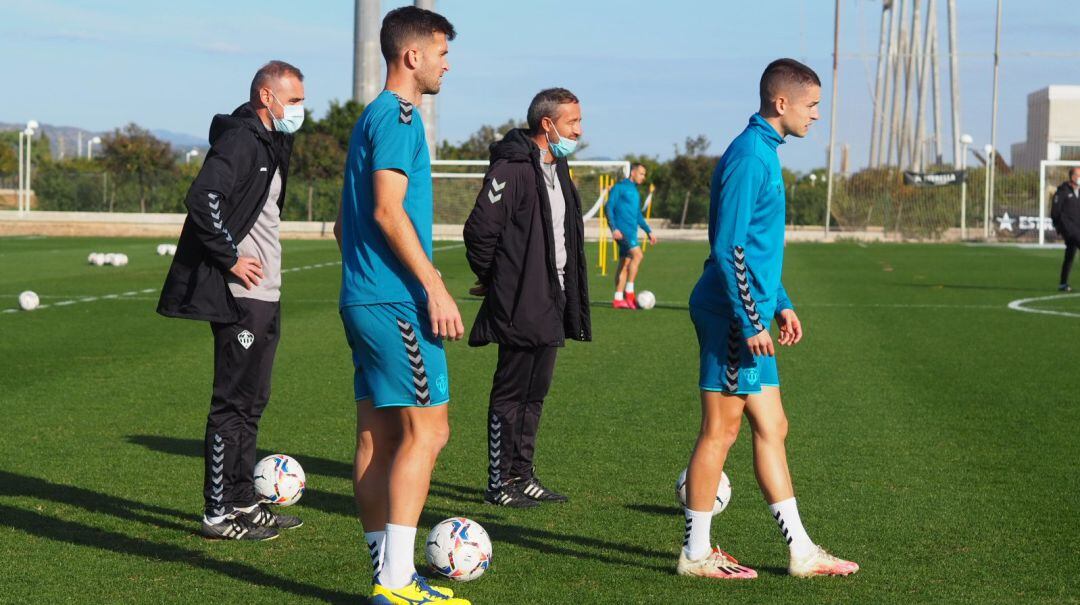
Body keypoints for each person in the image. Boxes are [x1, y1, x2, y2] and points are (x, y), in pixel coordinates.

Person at [677, 58, 859, 580]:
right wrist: (751, 319)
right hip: (731, 315)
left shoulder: (765, 151)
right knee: (720, 431)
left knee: (773, 425)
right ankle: (695, 555)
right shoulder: (751, 156)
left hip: (751, 309)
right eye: (812, 105)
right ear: (782, 103)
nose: (817, 115)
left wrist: (780, 301)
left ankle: (802, 552)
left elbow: (759, 248)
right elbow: (729, 247)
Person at [332, 7, 470, 605]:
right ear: (412, 56)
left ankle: (385, 571)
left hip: (363, 298)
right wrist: (433, 286)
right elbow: (387, 211)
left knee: (380, 437)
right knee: (428, 432)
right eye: (442, 52)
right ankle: (394, 581)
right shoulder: (400, 117)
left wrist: (367, 280)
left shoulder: (370, 117)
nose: (447, 64)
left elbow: (343, 226)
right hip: (395, 303)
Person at [157, 60, 305, 540]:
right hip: (241, 294)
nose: (299, 109)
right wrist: (231, 258)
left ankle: (242, 500)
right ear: (267, 97)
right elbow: (203, 197)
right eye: (294, 100)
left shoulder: (272, 141)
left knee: (252, 401)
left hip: (267, 293)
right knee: (231, 404)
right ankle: (217, 513)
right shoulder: (241, 138)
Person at [463, 88, 592, 508]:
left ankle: (523, 474)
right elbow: (480, 231)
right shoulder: (512, 168)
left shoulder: (558, 167)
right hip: (521, 299)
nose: (579, 130)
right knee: (510, 393)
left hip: (553, 297)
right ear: (547, 124)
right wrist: (494, 278)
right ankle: (498, 483)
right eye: (573, 122)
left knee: (535, 393)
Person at [606, 163, 657, 309]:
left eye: (644, 174)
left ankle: (618, 299)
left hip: (631, 231)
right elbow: (608, 207)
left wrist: (648, 231)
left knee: (625, 263)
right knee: (638, 255)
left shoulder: (635, 191)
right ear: (633, 172)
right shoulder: (619, 187)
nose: (643, 177)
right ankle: (629, 293)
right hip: (623, 232)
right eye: (641, 173)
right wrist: (614, 228)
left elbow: (638, 215)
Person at [1050, 166, 1080, 292]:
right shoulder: (1062, 191)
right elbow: (1055, 212)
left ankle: (1063, 284)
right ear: (1073, 177)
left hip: (1078, 228)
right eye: (1079, 175)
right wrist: (1059, 226)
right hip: (1068, 229)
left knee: (1070, 255)